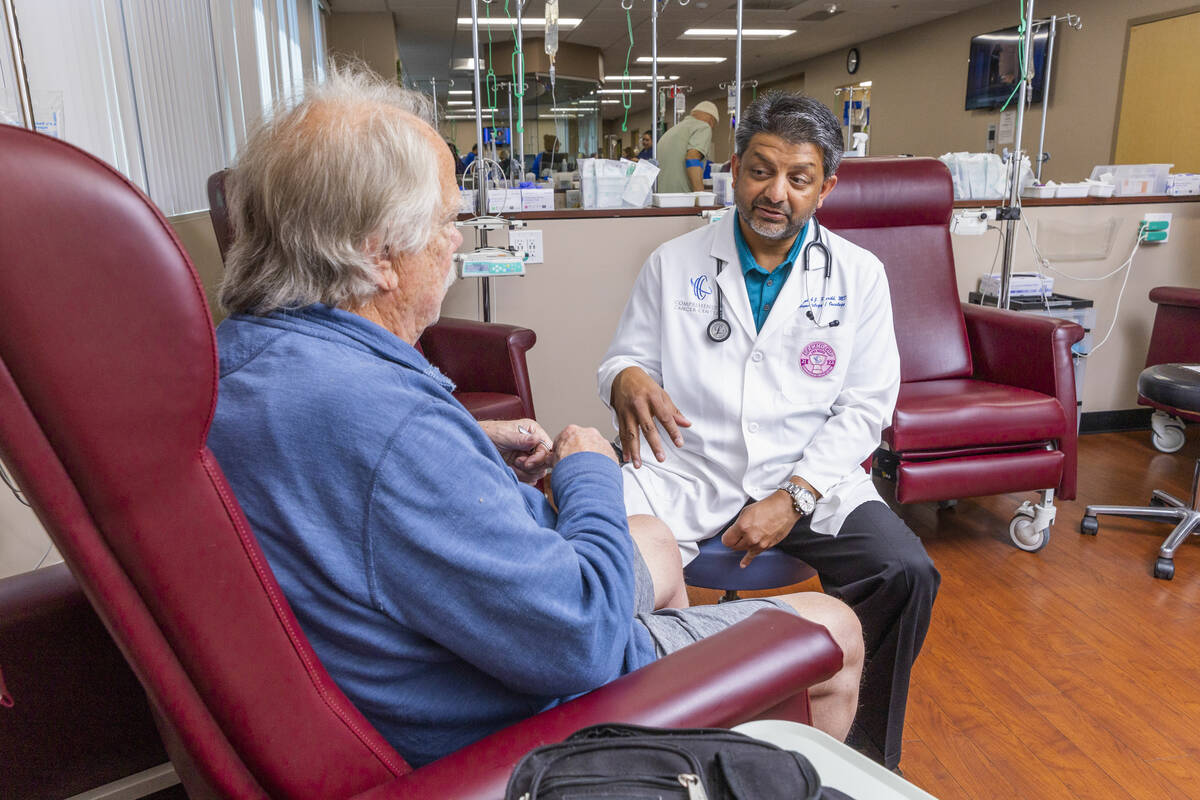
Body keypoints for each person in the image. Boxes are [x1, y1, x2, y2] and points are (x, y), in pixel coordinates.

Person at [206, 69, 863, 770]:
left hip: (450, 648)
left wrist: (467, 442)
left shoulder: (244, 362)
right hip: (518, 713)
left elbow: (357, 482)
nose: (455, 244)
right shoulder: (386, 426)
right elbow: (574, 637)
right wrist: (588, 473)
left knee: (658, 543)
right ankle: (663, 751)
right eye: (446, 224)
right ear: (378, 255)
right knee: (836, 630)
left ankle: (681, 745)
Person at [597, 90, 939, 772]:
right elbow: (623, 357)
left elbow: (866, 406)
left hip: (810, 478)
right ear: (733, 168)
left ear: (827, 186)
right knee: (611, 572)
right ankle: (646, 745)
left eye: (798, 177)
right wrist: (624, 378)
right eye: (760, 171)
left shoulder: (859, 276)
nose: (774, 192)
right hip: (686, 469)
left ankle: (860, 754)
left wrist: (796, 495)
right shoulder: (674, 263)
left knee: (905, 572)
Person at [655, 100, 718, 192]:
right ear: (711, 120)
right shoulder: (704, 127)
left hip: (662, 198)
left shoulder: (672, 131)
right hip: (682, 199)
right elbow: (692, 158)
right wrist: (701, 196)